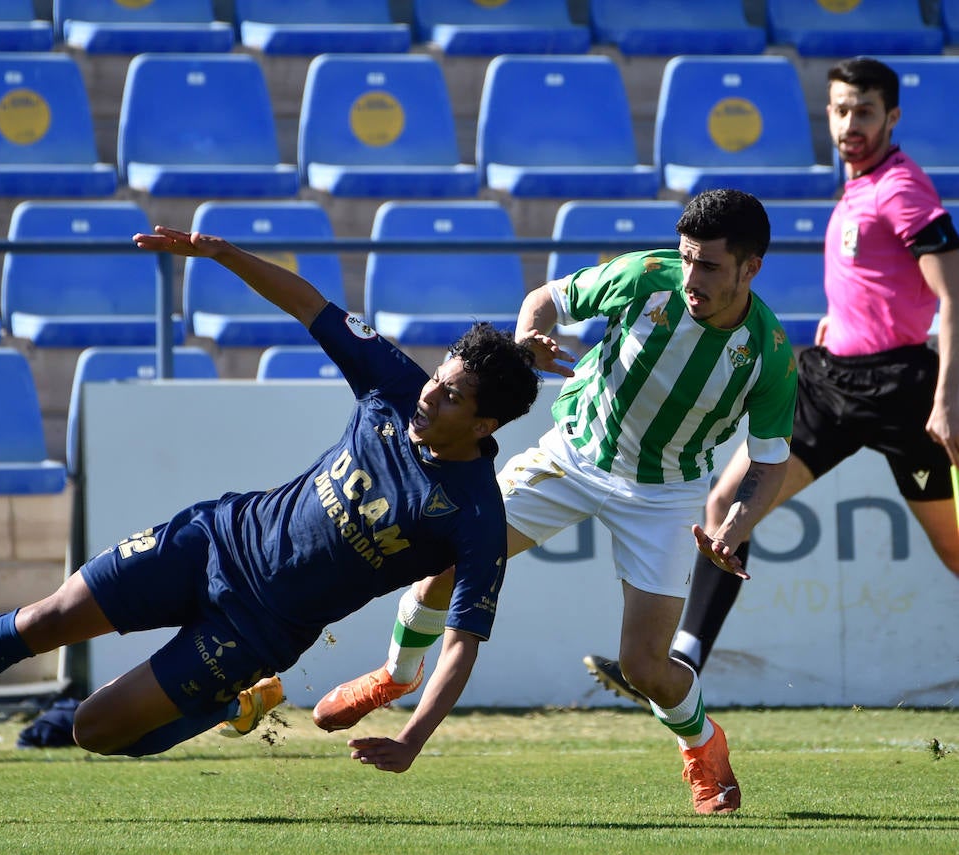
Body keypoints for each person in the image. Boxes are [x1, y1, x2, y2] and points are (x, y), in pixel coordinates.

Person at [0, 225, 543, 758]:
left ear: (484, 422)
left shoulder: (476, 513)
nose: (430, 395)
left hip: (258, 629)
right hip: (213, 541)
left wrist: (413, 740)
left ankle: (234, 699)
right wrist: (224, 255)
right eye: (437, 378)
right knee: (43, 621)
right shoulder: (393, 384)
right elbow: (314, 308)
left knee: (94, 731)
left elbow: (461, 643)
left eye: (451, 397)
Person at [313, 189, 798, 815]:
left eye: (708, 266)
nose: (690, 278)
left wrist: (736, 523)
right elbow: (545, 300)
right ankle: (397, 675)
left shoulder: (769, 354)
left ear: (750, 267)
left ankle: (704, 748)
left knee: (646, 666)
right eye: (686, 259)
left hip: (664, 494)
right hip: (572, 454)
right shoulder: (647, 276)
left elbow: (770, 458)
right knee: (445, 564)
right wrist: (531, 338)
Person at [584, 57, 959, 710]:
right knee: (726, 502)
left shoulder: (903, 189)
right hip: (831, 378)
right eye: (840, 109)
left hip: (903, 388)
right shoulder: (857, 187)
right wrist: (840, 322)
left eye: (864, 110)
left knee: (955, 550)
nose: (849, 123)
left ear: (892, 117)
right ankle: (684, 658)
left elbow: (952, 296)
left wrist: (948, 397)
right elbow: (874, 283)